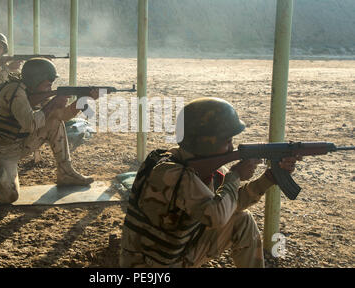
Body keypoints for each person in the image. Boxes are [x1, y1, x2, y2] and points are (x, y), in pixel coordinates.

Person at [120, 97, 300, 268]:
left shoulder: (201, 168)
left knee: (242, 220)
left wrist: (269, 178)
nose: (231, 147)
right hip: (147, 264)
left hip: (175, 253)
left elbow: (232, 204)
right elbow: (217, 217)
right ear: (206, 143)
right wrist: (235, 174)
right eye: (227, 141)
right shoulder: (169, 172)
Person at [0, 58, 98, 204]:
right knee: (9, 196)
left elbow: (61, 117)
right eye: (47, 85)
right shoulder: (14, 92)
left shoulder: (32, 91)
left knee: (54, 122)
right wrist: (53, 103)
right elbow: (30, 124)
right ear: (35, 81)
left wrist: (83, 100)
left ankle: (66, 172)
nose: (48, 89)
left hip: (20, 144)